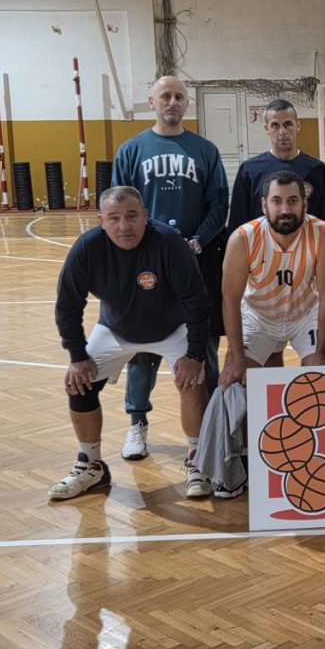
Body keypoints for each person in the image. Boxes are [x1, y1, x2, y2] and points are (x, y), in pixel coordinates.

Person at [50, 186, 212, 500]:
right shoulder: (87, 248)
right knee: (78, 383)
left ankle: (198, 460)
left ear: (146, 216)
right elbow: (68, 305)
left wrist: (194, 355)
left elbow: (197, 301)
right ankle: (91, 465)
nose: (124, 226)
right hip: (116, 329)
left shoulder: (169, 243)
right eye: (114, 218)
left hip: (172, 328)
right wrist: (77, 356)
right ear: (101, 221)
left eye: (132, 216)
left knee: (193, 381)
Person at [111, 75, 229, 463]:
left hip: (195, 262)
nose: (173, 102)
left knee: (203, 345)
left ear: (187, 103)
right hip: (145, 265)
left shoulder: (205, 150)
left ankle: (209, 427)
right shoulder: (131, 150)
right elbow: (118, 208)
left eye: (179, 96)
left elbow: (219, 205)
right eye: (166, 96)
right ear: (152, 102)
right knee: (141, 349)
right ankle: (137, 423)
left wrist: (197, 241)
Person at [219, 170, 325, 385]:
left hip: (305, 314)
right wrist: (237, 359)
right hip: (259, 317)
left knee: (323, 376)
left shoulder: (324, 234)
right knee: (236, 380)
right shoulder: (243, 238)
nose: (285, 210)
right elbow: (230, 299)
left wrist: (322, 353)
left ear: (305, 204)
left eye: (292, 201)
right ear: (264, 205)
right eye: (277, 201)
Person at [227, 98, 325, 234]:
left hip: (308, 245)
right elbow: (238, 224)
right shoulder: (249, 170)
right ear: (266, 129)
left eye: (288, 124)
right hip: (261, 246)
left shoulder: (318, 170)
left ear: (298, 126)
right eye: (275, 125)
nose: (282, 131)